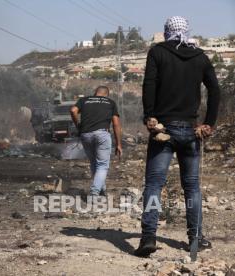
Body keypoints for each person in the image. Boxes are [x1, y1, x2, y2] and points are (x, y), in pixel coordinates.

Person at [134, 16, 220, 257]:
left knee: (154, 184)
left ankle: (148, 238)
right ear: (186, 30)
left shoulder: (158, 52)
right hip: (191, 131)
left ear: (166, 31)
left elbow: (148, 84)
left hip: (163, 128)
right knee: (192, 187)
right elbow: (215, 90)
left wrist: (149, 116)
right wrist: (209, 123)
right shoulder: (200, 56)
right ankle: (196, 238)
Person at [70, 86, 122, 196]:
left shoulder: (84, 100)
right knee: (102, 165)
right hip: (102, 134)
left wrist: (78, 125)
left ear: (95, 92)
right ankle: (94, 192)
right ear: (106, 94)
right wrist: (119, 144)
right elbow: (116, 124)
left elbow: (73, 110)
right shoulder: (110, 102)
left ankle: (101, 189)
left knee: (94, 163)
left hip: (86, 134)